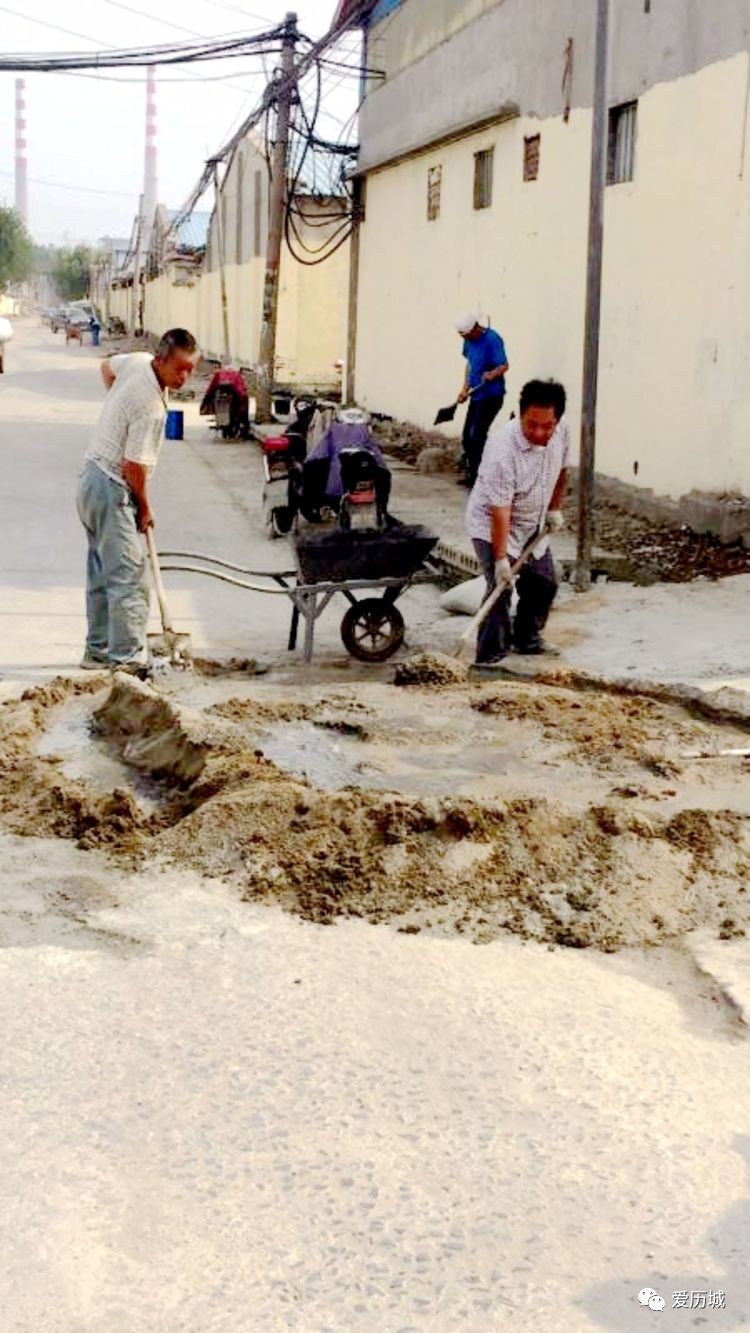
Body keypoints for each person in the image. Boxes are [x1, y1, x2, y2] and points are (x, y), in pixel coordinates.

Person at [76, 328, 200, 675]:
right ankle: (128, 662)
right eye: (180, 369)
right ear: (161, 360)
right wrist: (145, 508)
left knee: (102, 573)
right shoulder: (150, 408)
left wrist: (117, 408)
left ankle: (98, 652)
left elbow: (106, 368)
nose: (185, 376)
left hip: (90, 480)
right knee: (129, 578)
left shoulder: (137, 362)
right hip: (112, 486)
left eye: (191, 369)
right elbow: (134, 467)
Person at [466, 378, 569, 669]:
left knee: (545, 582)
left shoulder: (562, 432)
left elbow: (562, 471)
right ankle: (489, 657)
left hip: (533, 522)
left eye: (547, 425)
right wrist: (500, 560)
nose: (539, 432)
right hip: (493, 525)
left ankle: (527, 637)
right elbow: (501, 511)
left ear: (557, 420)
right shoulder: (501, 450)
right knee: (501, 590)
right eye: (531, 425)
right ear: (520, 415)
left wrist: (554, 509)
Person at [455, 312, 509, 487]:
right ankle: (475, 474)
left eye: (466, 335)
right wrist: (465, 389)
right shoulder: (469, 340)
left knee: (476, 436)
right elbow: (470, 364)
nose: (465, 338)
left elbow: (504, 365)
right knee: (466, 437)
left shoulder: (493, 339)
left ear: (475, 328)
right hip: (477, 396)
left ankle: (483, 479)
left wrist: (492, 373)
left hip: (492, 396)